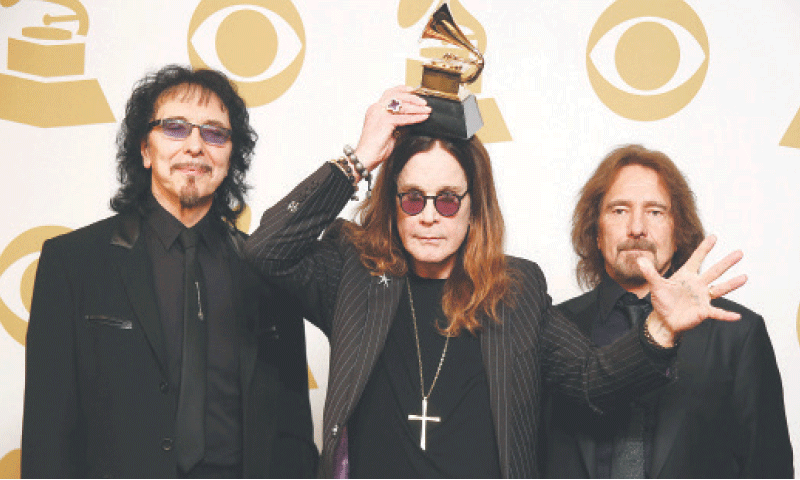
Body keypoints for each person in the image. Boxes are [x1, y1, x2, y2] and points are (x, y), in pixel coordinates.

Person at [244, 87, 749, 478]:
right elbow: (266, 248)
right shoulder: (353, 273)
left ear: (472, 208)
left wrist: (660, 329)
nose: (428, 216)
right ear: (392, 203)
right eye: (412, 198)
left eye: (446, 200)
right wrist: (359, 157)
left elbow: (592, 382)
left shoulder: (515, 289)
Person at [20, 65, 317, 478]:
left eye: (215, 133)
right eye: (175, 128)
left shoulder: (268, 269)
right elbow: (46, 437)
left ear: (231, 158)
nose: (196, 146)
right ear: (144, 149)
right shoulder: (73, 264)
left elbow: (295, 435)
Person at [542, 144, 793, 478]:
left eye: (655, 212)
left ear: (678, 233)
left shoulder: (738, 334)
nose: (636, 228)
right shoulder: (551, 327)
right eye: (618, 211)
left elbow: (768, 469)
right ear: (595, 233)